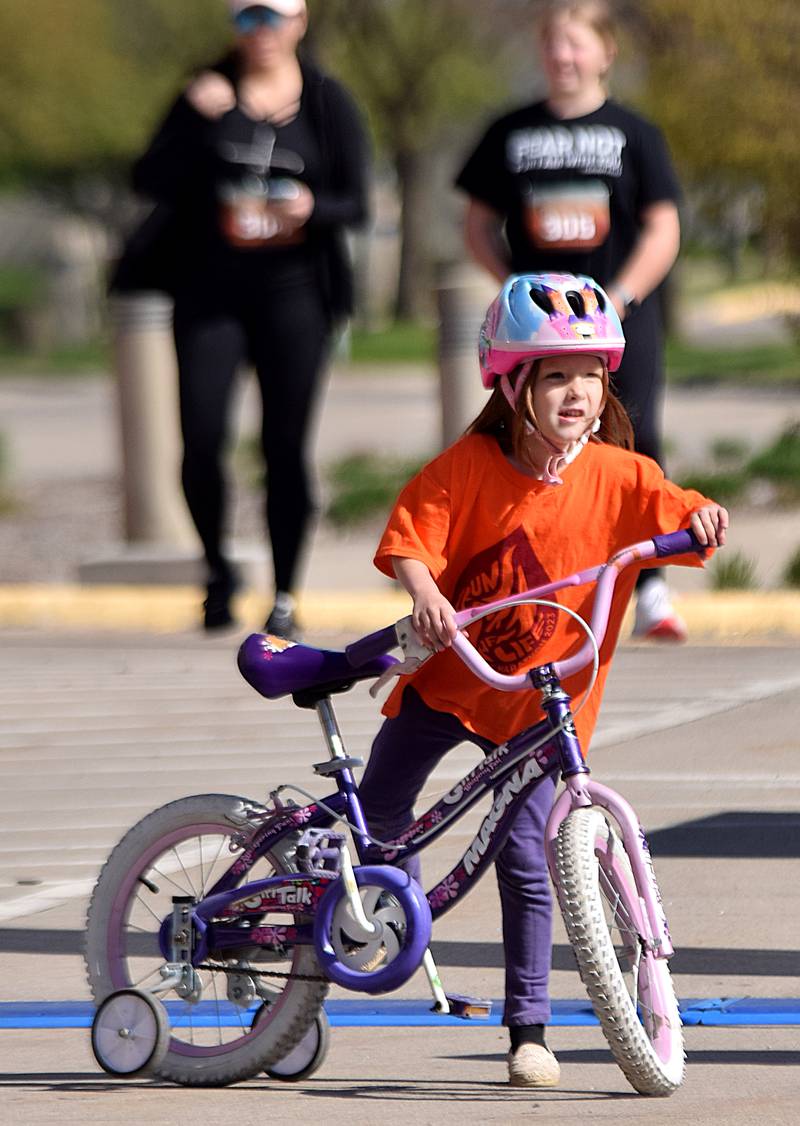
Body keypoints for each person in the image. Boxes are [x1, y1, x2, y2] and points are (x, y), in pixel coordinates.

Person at [358, 273, 727, 1088]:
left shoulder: (621, 475)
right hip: (454, 680)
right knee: (381, 809)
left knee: (529, 856)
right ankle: (387, 913)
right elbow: (413, 542)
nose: (577, 394)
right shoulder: (467, 466)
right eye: (556, 375)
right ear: (512, 383)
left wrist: (701, 517)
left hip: (543, 704)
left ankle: (529, 1030)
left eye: (591, 376)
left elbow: (680, 511)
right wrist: (423, 593)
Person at [123, 0, 369, 635]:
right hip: (209, 293)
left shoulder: (325, 100)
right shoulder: (203, 94)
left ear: (299, 22)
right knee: (202, 438)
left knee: (284, 445)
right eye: (246, 19)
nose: (260, 32)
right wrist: (207, 123)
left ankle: (285, 591)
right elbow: (147, 178)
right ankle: (216, 573)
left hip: (295, 295)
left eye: (272, 17)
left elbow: (356, 203)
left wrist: (311, 207)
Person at [455, 0, 685, 640]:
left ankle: (652, 588)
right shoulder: (510, 132)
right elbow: (475, 224)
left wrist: (619, 299)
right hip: (537, 335)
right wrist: (517, 294)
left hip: (617, 323)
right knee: (533, 447)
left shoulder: (635, 133)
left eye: (577, 44)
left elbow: (664, 227)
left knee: (631, 438)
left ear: (605, 52)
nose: (564, 57)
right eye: (554, 44)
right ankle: (536, 581)